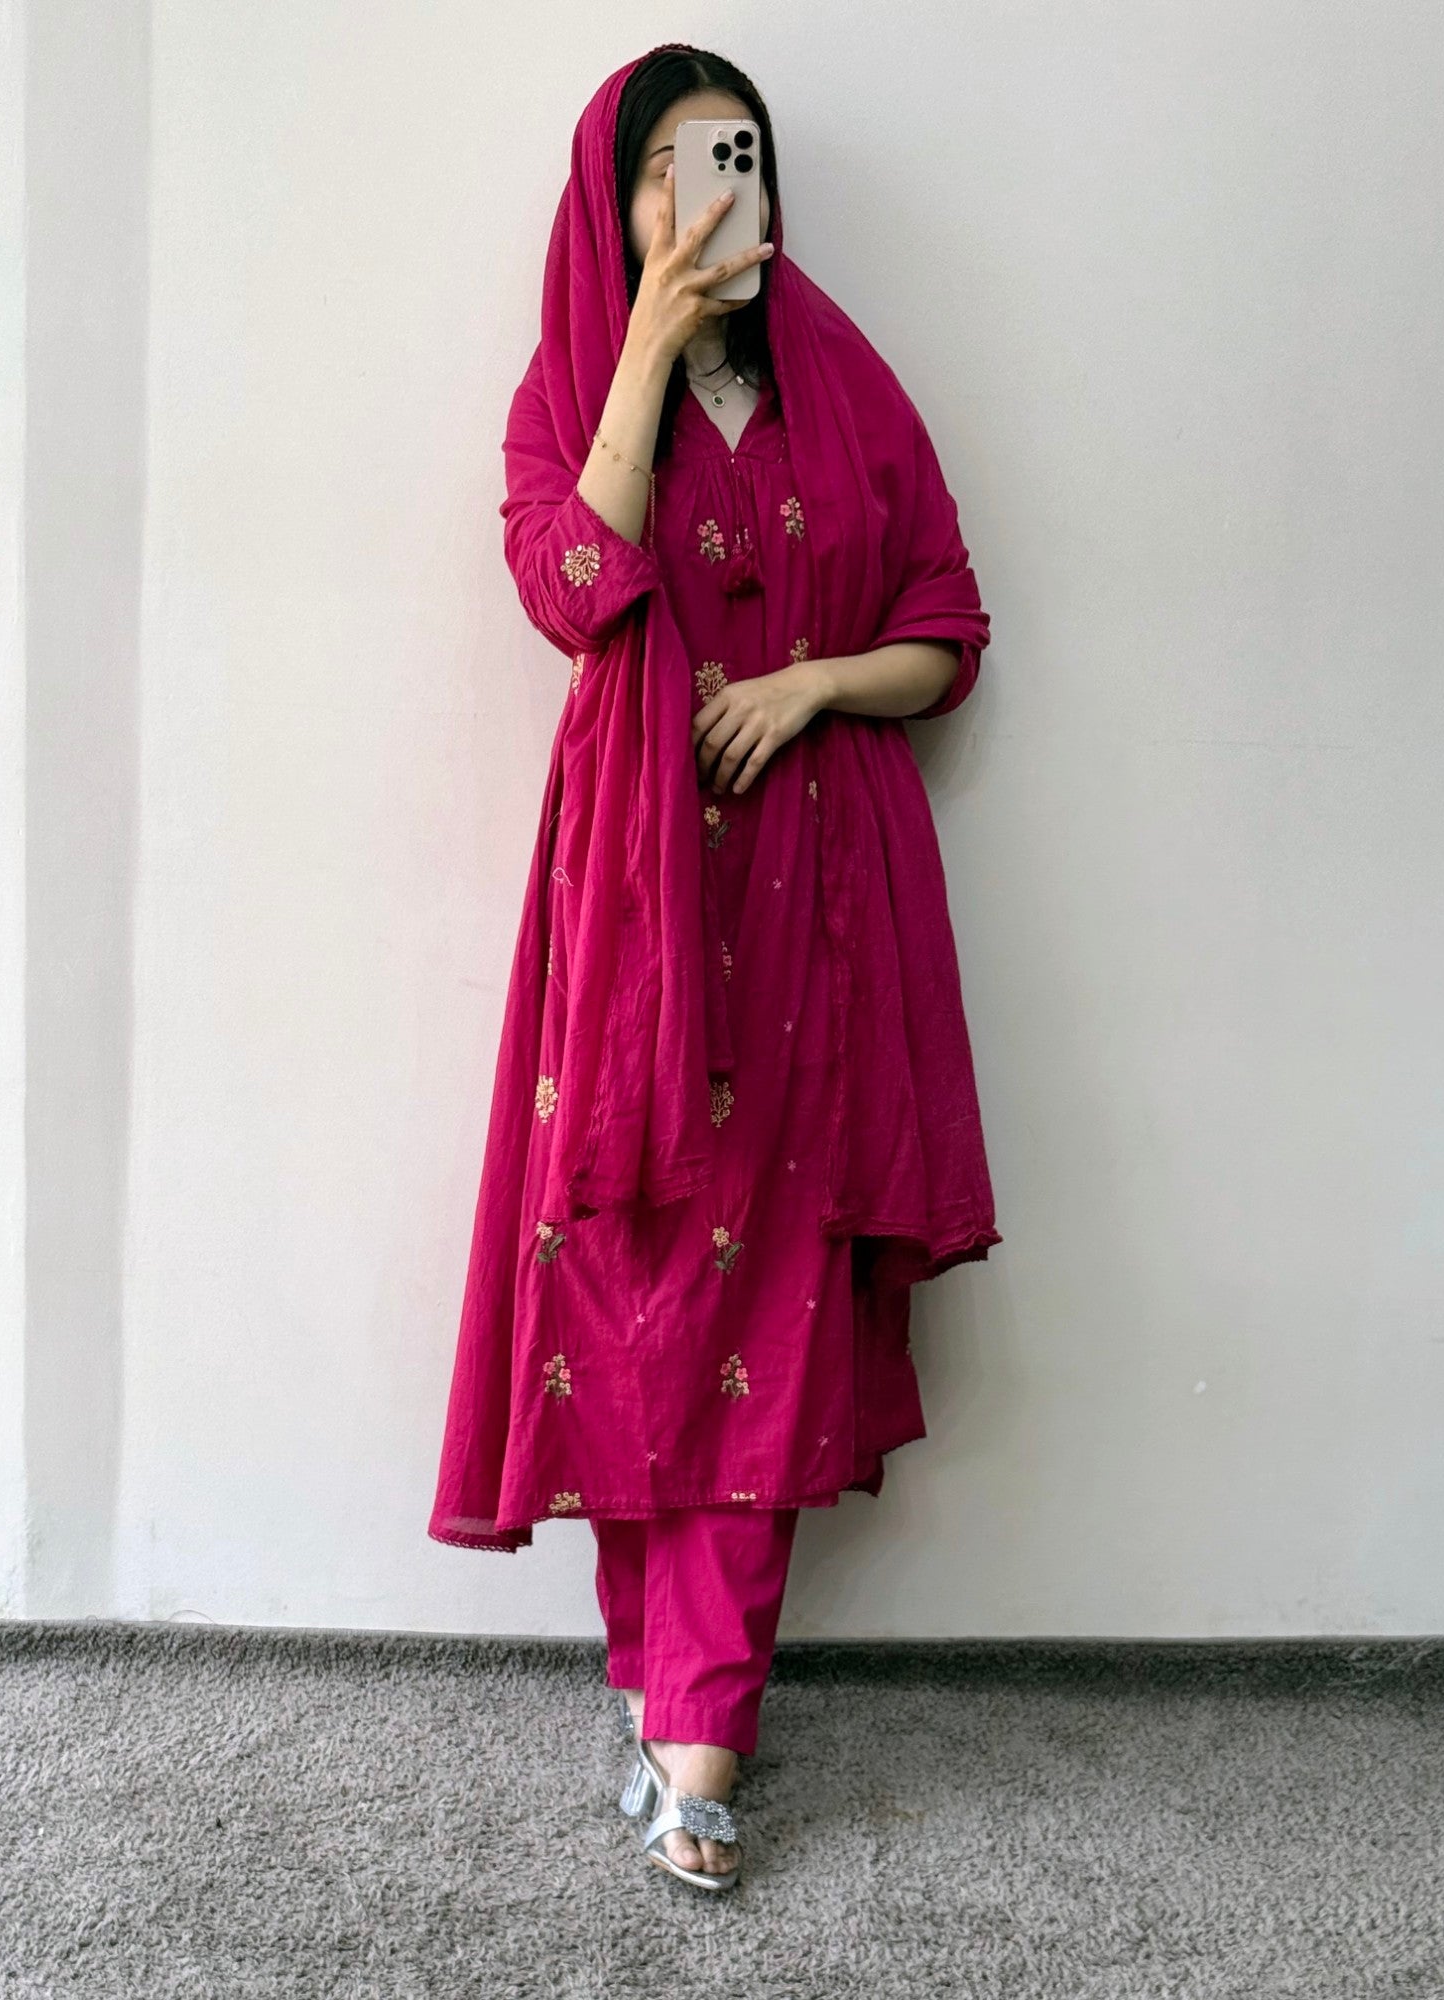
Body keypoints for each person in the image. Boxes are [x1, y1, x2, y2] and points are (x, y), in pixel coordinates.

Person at [428, 43, 1003, 1891]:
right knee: (632, 1275)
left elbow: (948, 627)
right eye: (685, 166)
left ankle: (698, 1743)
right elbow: (574, 581)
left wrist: (808, 685)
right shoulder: (571, 392)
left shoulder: (848, 386)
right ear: (626, 203)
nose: (727, 191)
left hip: (820, 894)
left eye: (745, 156)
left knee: (770, 1305)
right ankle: (661, 1682)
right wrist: (647, 346)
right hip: (638, 900)